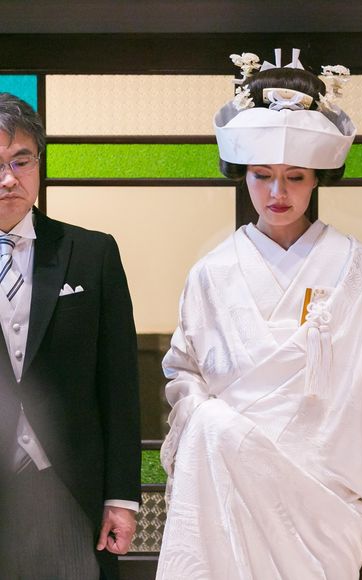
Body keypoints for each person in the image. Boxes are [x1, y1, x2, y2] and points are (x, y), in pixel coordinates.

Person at [156, 49, 362, 580]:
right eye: (261, 175)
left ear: (316, 179)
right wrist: (211, 426)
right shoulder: (211, 273)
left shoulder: (358, 268)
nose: (277, 192)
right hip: (233, 482)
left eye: (295, 177)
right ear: (243, 175)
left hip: (328, 493)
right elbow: (184, 372)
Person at [0, 92, 141, 579]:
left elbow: (119, 385)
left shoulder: (91, 253)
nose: (9, 179)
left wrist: (121, 497)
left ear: (39, 163)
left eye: (21, 162)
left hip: (68, 486)